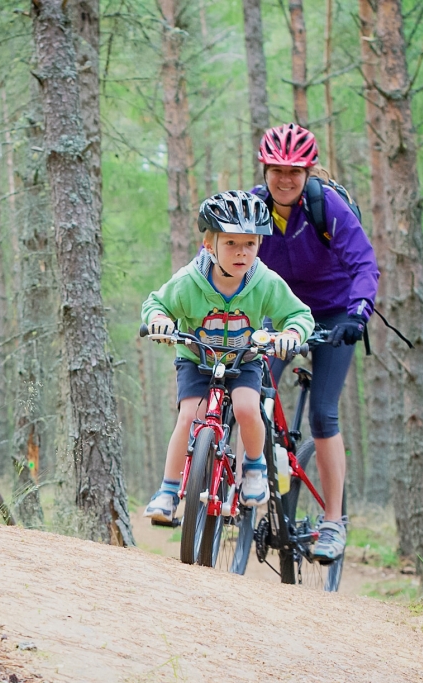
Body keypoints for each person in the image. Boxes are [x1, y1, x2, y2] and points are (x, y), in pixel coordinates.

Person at [141, 191, 315, 523]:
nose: (241, 252)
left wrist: (290, 336)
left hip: (244, 358)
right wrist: (159, 321)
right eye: (231, 243)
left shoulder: (264, 281)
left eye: (249, 244)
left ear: (259, 246)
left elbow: (299, 315)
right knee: (189, 415)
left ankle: (253, 467)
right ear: (210, 245)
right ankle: (167, 490)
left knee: (248, 408)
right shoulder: (189, 281)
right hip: (197, 359)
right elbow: (156, 304)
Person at [251, 123, 380, 563]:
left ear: (308, 172)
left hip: (333, 313)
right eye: (277, 170)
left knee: (324, 412)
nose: (285, 179)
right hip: (283, 314)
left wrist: (358, 313)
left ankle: (332, 521)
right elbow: (216, 256)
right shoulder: (251, 208)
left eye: (295, 171)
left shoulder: (327, 207)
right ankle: (248, 482)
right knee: (248, 387)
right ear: (265, 169)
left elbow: (364, 263)